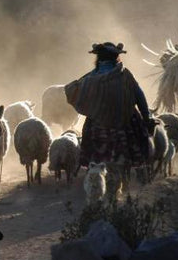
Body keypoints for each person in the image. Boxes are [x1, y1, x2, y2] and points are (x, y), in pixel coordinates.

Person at [64, 42, 156, 191]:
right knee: (140, 138)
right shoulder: (125, 75)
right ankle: (137, 176)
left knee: (90, 140)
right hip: (124, 122)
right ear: (116, 57)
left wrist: (92, 109)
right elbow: (140, 96)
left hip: (98, 124)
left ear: (98, 58)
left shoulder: (91, 78)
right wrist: (146, 118)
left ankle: (96, 183)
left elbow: (73, 91)